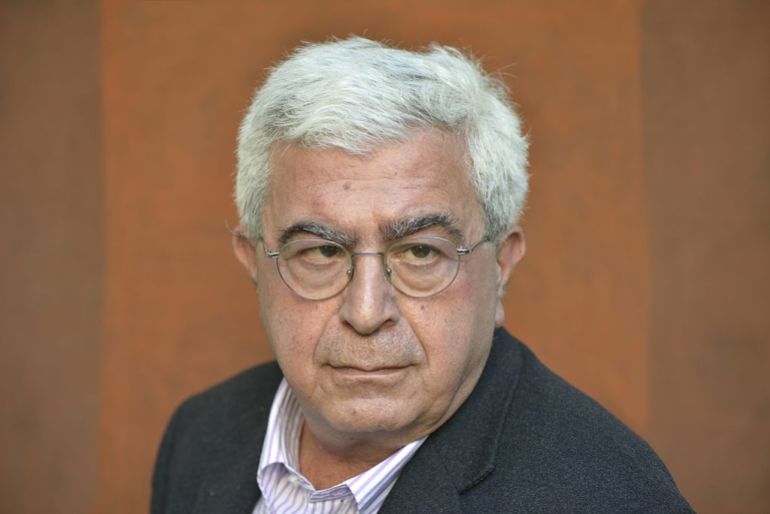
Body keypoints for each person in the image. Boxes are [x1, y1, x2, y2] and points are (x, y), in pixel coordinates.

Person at [151, 37, 692, 513]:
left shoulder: (608, 497)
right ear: (254, 260)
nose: (366, 312)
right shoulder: (202, 434)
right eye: (320, 253)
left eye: (419, 253)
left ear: (501, 264)